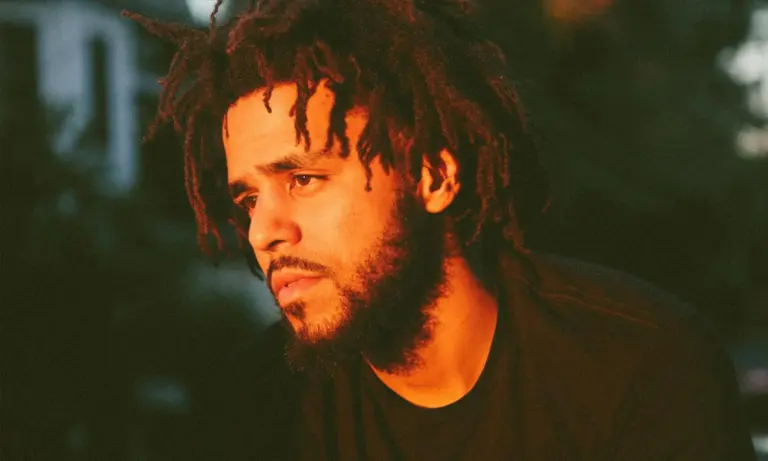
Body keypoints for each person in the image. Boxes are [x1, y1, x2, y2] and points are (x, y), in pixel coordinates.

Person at [125, 0, 756, 459]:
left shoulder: (638, 369)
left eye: (304, 179)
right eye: (247, 199)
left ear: (433, 176)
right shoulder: (261, 410)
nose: (263, 231)